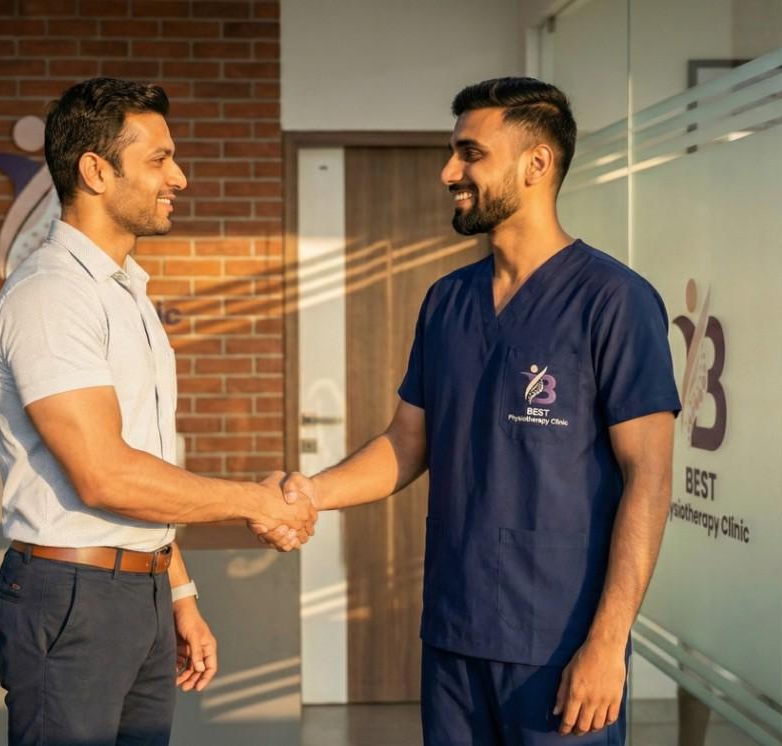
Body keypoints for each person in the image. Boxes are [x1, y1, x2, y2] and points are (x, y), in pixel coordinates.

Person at [281, 77, 680, 744]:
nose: (449, 172)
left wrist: (608, 645)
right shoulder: (447, 302)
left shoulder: (614, 302)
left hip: (561, 645)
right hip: (454, 637)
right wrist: (308, 495)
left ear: (536, 164)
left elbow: (651, 479)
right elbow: (407, 444)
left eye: (470, 154)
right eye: (452, 153)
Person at [0, 77, 315, 746]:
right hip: (75, 597)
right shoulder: (54, 296)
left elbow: (147, 465)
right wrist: (256, 501)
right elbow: (106, 475)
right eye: (159, 159)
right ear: (96, 171)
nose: (180, 177)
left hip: (140, 590)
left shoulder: (127, 294)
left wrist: (179, 591)